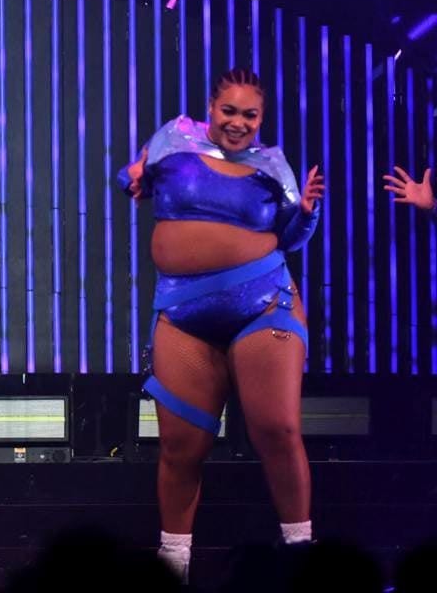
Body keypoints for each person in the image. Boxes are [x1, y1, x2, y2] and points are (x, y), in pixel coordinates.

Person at [118, 68, 325, 581]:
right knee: (181, 448)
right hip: (183, 311)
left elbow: (293, 236)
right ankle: (173, 569)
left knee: (277, 430)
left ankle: (303, 558)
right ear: (211, 108)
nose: (237, 123)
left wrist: (308, 212)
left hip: (263, 302)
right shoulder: (174, 135)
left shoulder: (272, 162)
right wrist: (132, 177)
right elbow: (134, 179)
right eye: (228, 111)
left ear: (262, 118)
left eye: (249, 115)